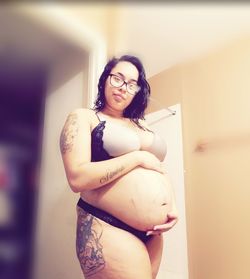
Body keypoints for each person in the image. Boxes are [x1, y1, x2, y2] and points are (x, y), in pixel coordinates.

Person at [60, 55, 178, 279]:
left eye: (132, 84)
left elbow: (158, 168)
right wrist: (137, 158)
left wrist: (173, 206)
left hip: (153, 234)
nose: (123, 88)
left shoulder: (141, 125)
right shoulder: (84, 118)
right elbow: (77, 178)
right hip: (107, 225)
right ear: (105, 79)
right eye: (118, 78)